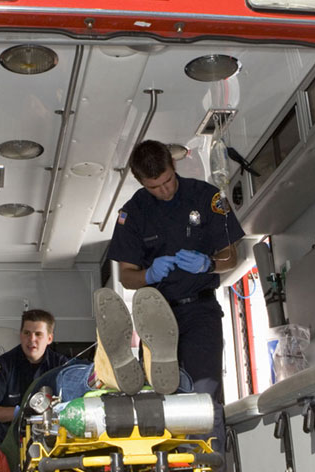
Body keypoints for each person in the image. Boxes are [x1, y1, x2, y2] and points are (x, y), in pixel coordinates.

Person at [105, 139, 245, 448]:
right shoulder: (133, 214)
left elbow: (231, 257)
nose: (164, 190)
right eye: (154, 187)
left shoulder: (206, 197)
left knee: (204, 397)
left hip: (200, 312)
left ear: (173, 165)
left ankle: (210, 463)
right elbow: (127, 276)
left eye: (167, 181)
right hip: (157, 315)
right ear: (141, 182)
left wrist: (209, 263)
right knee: (163, 400)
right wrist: (149, 274)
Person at [0, 309, 70, 448]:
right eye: (27, 333)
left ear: (49, 339)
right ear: (20, 335)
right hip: (11, 439)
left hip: (51, 436)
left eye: (38, 334)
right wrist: (19, 412)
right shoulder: (3, 365)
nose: (31, 339)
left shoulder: (63, 366)